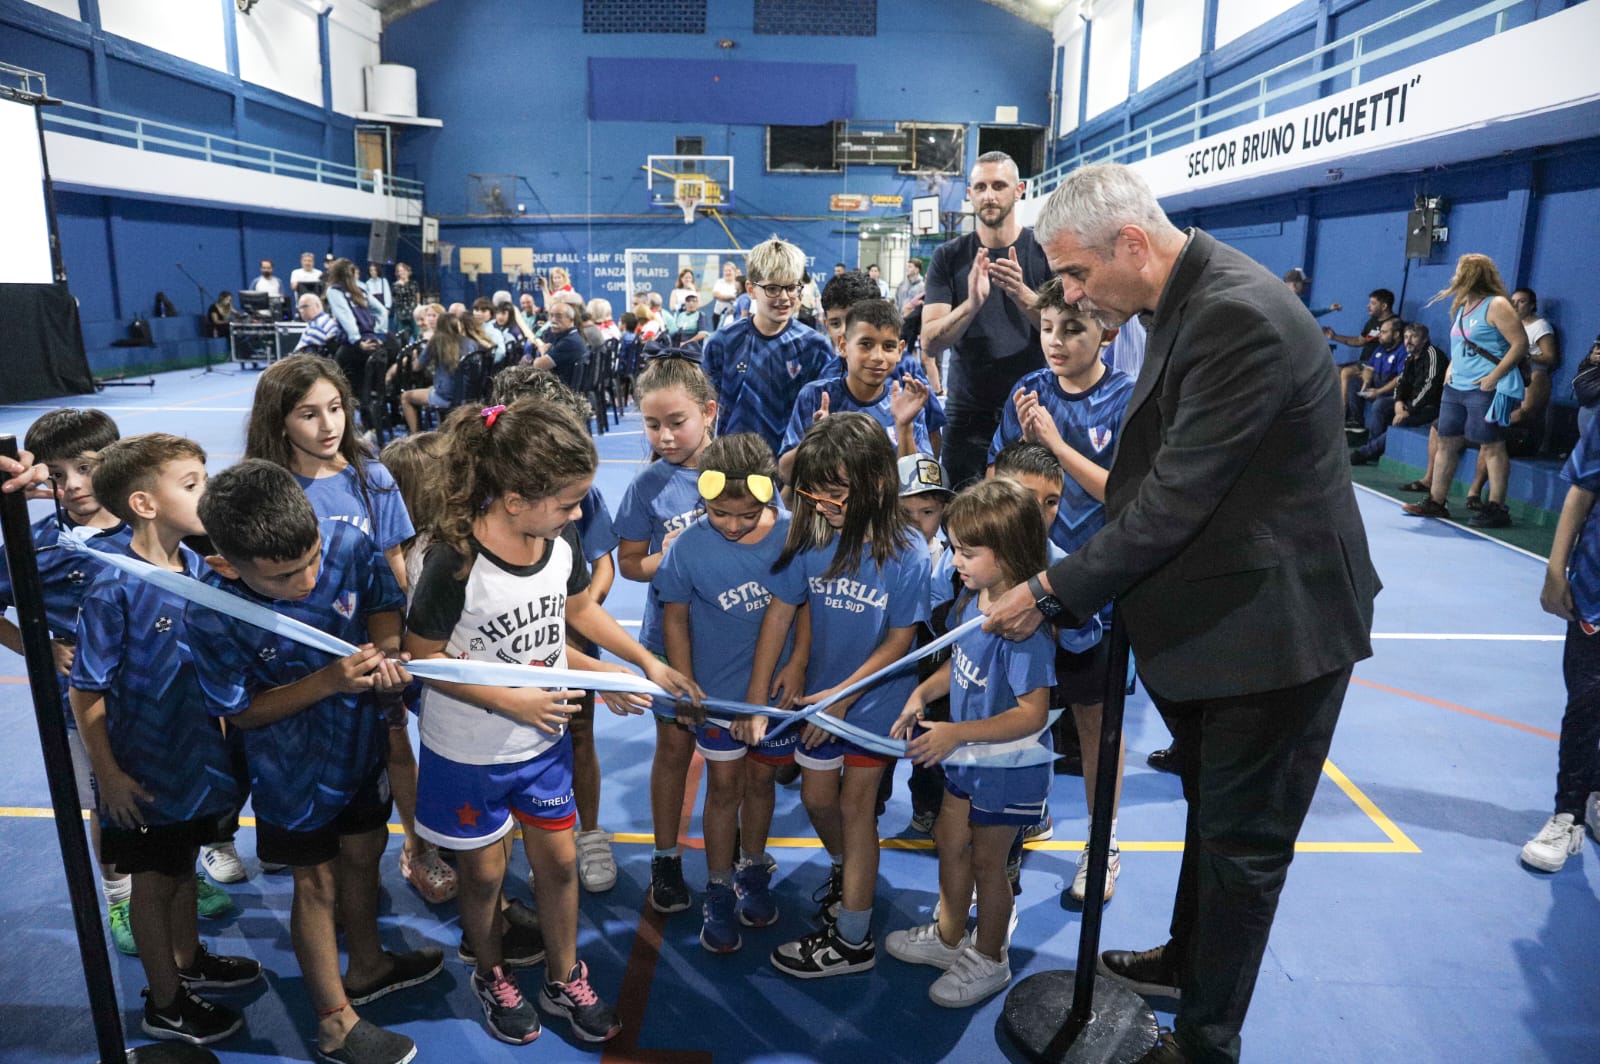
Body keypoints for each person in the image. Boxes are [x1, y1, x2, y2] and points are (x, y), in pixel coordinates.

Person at [982, 162, 1379, 1064]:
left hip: (1276, 633)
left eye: (1076, 276)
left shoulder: (1235, 315)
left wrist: (1049, 590)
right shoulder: (1186, 300)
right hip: (1224, 624)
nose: (1069, 295)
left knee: (1243, 850)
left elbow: (1172, 501)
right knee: (1213, 814)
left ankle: (1205, 1042)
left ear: (1131, 243)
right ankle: (1183, 961)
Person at [404, 400, 699, 1046]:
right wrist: (516, 701)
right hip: (468, 750)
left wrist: (638, 664)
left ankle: (564, 975)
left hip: (541, 743)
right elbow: (424, 661)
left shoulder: (555, 542)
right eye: (567, 503)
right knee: (482, 877)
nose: (576, 516)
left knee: (560, 865)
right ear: (514, 499)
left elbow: (564, 620)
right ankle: (490, 972)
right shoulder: (455, 565)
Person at [188, 462, 441, 1064]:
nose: (306, 579)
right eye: (281, 576)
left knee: (364, 852)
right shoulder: (212, 606)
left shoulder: (347, 542)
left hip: (360, 747)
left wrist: (385, 654)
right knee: (317, 882)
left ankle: (370, 964)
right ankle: (333, 1022)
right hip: (288, 775)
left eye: (310, 559)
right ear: (228, 563)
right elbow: (242, 713)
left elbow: (382, 604)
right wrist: (328, 681)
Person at [68, 434, 261, 1045]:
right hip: (144, 771)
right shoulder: (113, 586)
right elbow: (86, 689)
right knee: (154, 883)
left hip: (196, 763)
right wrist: (110, 774)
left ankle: (188, 959)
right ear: (145, 504)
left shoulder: (197, 567)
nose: (207, 492)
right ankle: (166, 1002)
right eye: (192, 484)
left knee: (181, 870)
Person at [244, 354, 450, 902]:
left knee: (392, 745)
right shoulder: (263, 487)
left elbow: (393, 563)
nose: (328, 424)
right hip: (291, 663)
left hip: (369, 654)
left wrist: (395, 644)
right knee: (299, 755)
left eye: (335, 408)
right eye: (309, 413)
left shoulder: (371, 476)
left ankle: (418, 848)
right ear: (278, 420)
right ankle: (311, 853)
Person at [750, 413, 930, 979]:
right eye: (813, 493)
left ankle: (852, 940)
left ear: (876, 484)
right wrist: (776, 683)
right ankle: (847, 869)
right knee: (817, 800)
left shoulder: (909, 552)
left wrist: (842, 700)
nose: (821, 504)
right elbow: (788, 607)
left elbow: (902, 642)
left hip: (873, 705)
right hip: (821, 701)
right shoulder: (812, 535)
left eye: (834, 494)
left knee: (856, 810)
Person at [887, 478, 1056, 1008]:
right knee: (948, 838)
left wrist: (956, 732)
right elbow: (955, 666)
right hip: (968, 757)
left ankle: (989, 956)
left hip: (1007, 765)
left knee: (990, 862)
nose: (955, 559)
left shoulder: (1021, 628)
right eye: (956, 548)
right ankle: (948, 935)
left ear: (1007, 554)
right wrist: (922, 692)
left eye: (967, 551)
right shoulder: (974, 597)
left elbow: (1032, 714)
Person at [0, 409, 145, 952]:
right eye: (58, 475)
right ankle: (120, 896)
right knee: (108, 800)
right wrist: (38, 647)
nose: (76, 485)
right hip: (82, 711)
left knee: (161, 791)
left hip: (157, 701)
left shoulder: (149, 526)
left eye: (87, 467)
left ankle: (176, 875)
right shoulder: (33, 545)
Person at [655, 433, 798, 952]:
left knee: (762, 788)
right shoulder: (691, 545)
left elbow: (803, 610)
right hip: (715, 695)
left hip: (775, 698)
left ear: (768, 496)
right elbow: (674, 618)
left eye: (745, 514)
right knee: (723, 790)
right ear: (702, 498)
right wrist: (686, 686)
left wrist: (798, 668)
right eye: (719, 514)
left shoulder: (790, 536)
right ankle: (717, 886)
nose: (733, 525)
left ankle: (752, 868)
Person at [490, 367, 627, 893]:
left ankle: (587, 832)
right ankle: (507, 835)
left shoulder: (581, 496)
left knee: (578, 731)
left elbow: (604, 566)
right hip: (499, 642)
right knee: (503, 741)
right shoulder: (478, 503)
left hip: (566, 633)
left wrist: (574, 614)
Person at [616, 356, 721, 915]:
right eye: (653, 425)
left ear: (708, 412)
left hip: (735, 640)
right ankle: (664, 857)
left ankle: (740, 861)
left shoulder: (742, 472)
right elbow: (630, 563)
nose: (664, 436)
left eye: (676, 422)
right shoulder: (647, 487)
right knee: (673, 750)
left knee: (737, 760)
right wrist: (677, 555)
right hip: (669, 641)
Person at [922, 151, 1052, 490]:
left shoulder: (1045, 251)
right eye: (980, 187)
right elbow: (930, 341)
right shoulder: (948, 257)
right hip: (967, 417)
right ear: (969, 194)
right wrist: (971, 304)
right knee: (957, 520)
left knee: (1023, 524)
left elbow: (1067, 333)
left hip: (1032, 412)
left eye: (998, 185)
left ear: (1020, 190)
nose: (989, 195)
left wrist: (1021, 294)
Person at [1401, 254, 1526, 530]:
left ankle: (1496, 507)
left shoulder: (1497, 305)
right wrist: (1449, 373)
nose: (1455, 277)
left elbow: (1519, 344)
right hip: (1456, 387)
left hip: (1483, 387)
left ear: (1472, 274)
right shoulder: (1462, 309)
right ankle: (1436, 501)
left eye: (1460, 271)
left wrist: (1494, 377)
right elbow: (1460, 349)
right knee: (1446, 441)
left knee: (1492, 445)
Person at [1529, 413, 1600, 872]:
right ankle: (1568, 815)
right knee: (1587, 703)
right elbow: (1582, 488)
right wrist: (1557, 568)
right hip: (1597, 592)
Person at [702, 237, 835, 458]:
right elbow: (705, 412)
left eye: (791, 287)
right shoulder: (722, 343)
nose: (784, 297)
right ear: (751, 290)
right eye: (772, 288)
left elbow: (824, 413)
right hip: (733, 468)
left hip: (794, 469)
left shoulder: (816, 347)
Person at [779, 300, 933, 481]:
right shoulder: (816, 396)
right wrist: (818, 438)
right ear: (843, 346)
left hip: (886, 509)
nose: (877, 357)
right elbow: (786, 474)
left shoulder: (905, 402)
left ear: (899, 350)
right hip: (828, 507)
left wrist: (905, 427)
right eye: (866, 344)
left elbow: (920, 485)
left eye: (888, 346)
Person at [897, 453, 955, 834]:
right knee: (913, 738)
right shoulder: (881, 557)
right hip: (900, 669)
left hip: (949, 670)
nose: (918, 524)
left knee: (947, 739)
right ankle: (925, 802)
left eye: (928, 511)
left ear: (945, 510)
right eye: (907, 513)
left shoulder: (959, 557)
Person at [1353, 321, 1447, 466]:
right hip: (1410, 403)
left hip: (1430, 406)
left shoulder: (1433, 355)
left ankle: (1366, 452)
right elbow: (1401, 382)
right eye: (1406, 337)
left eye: (1413, 337)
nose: (1408, 341)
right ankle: (1373, 449)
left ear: (1424, 339)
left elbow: (1429, 388)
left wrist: (1408, 410)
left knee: (1401, 421)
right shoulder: (1410, 358)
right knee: (1381, 404)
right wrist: (1398, 402)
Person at [1323, 288, 1397, 427]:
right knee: (1336, 369)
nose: (1368, 306)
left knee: (1346, 372)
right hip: (1363, 361)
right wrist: (1334, 336)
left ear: (1384, 306)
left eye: (1373, 303)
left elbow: (1394, 350)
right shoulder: (1372, 322)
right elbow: (1359, 341)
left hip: (1377, 365)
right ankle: (1341, 413)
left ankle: (1342, 415)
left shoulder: (1394, 324)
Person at [401, 308, 481, 434]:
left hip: (446, 396)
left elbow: (417, 367)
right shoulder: (471, 343)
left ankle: (415, 436)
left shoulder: (436, 342)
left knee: (406, 397)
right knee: (432, 388)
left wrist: (415, 356)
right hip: (469, 396)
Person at [324, 257, 393, 396]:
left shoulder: (334, 291)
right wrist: (379, 334)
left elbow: (346, 317)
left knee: (337, 377)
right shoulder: (361, 290)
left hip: (356, 345)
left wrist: (357, 341)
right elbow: (382, 311)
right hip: (373, 340)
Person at [530, 300, 588, 391]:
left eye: (559, 316)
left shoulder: (569, 342)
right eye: (551, 315)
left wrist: (542, 350)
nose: (553, 320)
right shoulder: (570, 337)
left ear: (571, 319)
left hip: (562, 394)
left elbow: (538, 365)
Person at [390, 262, 419, 341]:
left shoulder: (414, 283)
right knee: (403, 336)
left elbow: (417, 296)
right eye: (400, 271)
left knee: (417, 334)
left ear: (408, 271)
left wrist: (417, 307)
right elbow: (393, 298)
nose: (402, 272)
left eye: (404, 270)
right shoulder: (395, 285)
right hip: (401, 313)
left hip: (413, 312)